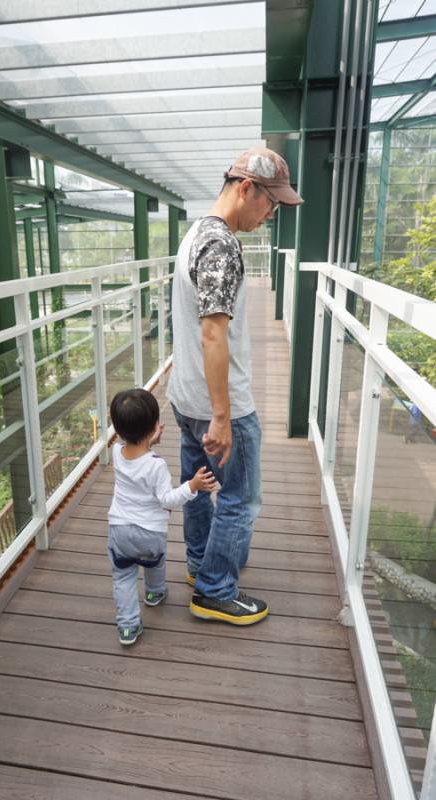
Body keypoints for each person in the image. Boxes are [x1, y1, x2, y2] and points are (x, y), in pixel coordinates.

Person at [167, 146, 304, 625]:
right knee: (238, 498)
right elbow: (213, 331)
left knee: (199, 486)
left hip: (185, 397)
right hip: (216, 405)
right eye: (270, 203)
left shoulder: (195, 234)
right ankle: (215, 590)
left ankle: (199, 564)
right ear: (246, 188)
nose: (270, 215)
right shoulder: (222, 244)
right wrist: (223, 416)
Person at [108, 388, 216, 645]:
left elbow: (131, 444)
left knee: (123, 577)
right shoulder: (156, 465)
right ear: (155, 426)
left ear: (118, 430)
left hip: (119, 530)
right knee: (154, 562)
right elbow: (167, 499)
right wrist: (192, 485)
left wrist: (146, 440)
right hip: (150, 532)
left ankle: (127, 627)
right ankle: (155, 593)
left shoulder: (115, 452)